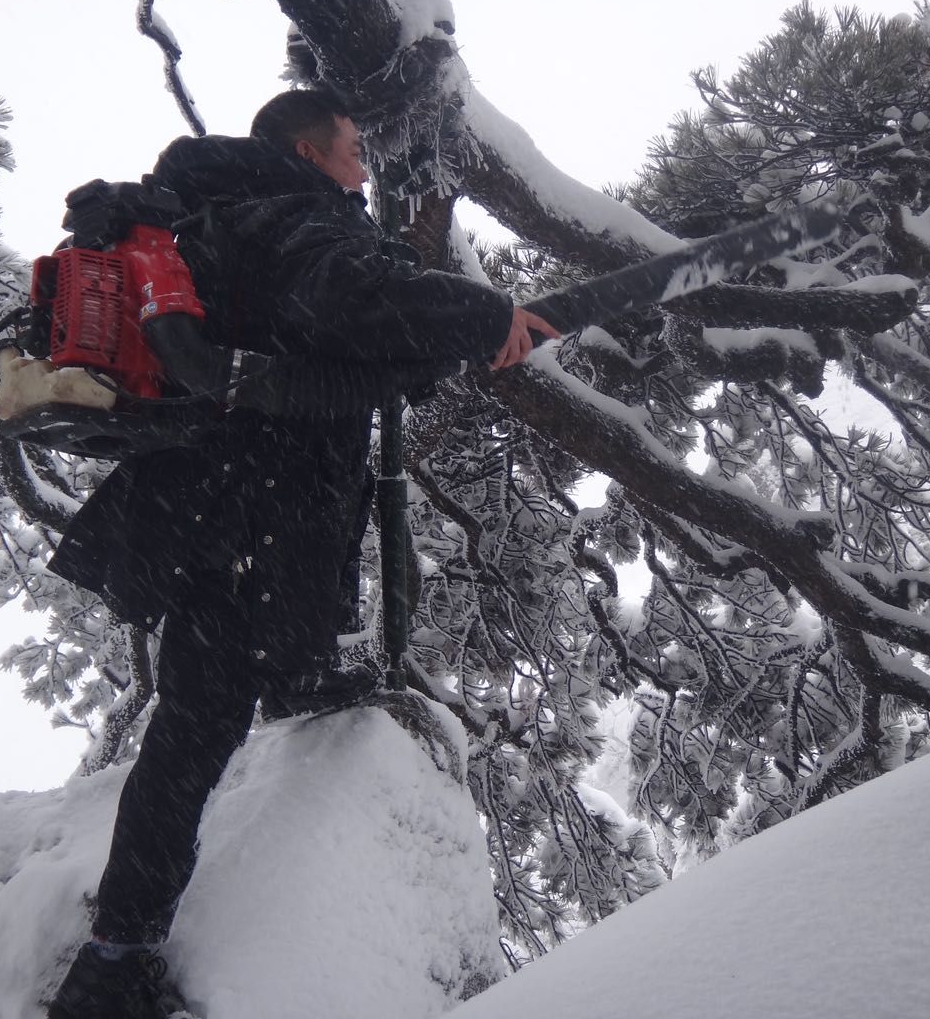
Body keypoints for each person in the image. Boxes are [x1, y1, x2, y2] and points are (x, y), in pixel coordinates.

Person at [44, 89, 559, 1018]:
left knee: (227, 682)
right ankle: (113, 961)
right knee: (198, 724)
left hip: (219, 495)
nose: (365, 166)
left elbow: (316, 341)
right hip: (253, 504)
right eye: (354, 150)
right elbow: (349, 297)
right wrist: (480, 316)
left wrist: (428, 348)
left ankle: (294, 678)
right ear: (310, 151)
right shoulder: (296, 212)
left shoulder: (223, 213)